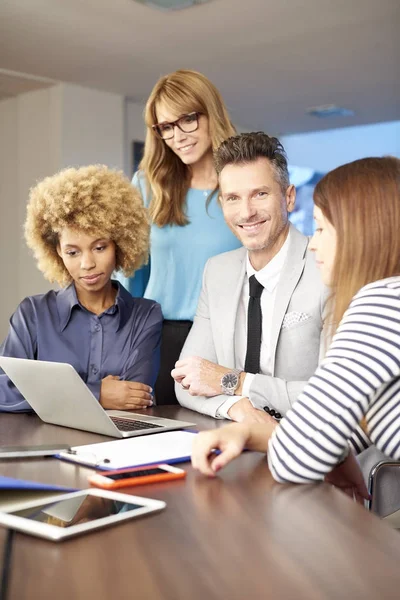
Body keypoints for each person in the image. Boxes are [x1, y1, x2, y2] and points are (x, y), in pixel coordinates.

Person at [191, 156, 400, 503]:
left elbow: (295, 461)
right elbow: (349, 425)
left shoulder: (380, 305)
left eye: (320, 229)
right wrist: (249, 434)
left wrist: (300, 443)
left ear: (359, 232)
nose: (312, 244)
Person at [172, 132, 327, 422]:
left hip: (311, 446)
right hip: (237, 439)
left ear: (289, 197)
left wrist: (232, 381)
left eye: (260, 194)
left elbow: (333, 397)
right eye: (233, 198)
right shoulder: (217, 272)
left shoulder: (326, 268)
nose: (247, 212)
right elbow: (186, 379)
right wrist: (238, 408)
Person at [0, 165, 162, 412]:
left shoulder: (145, 315)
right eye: (73, 252)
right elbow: (4, 390)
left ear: (118, 244)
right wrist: (97, 393)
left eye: (99, 248)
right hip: (44, 444)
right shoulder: (32, 313)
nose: (87, 264)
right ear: (58, 253)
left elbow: (134, 396)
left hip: (119, 447)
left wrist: (50, 393)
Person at [129, 69, 242, 405]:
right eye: (166, 126)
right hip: (156, 337)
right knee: (149, 437)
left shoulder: (239, 190)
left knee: (214, 441)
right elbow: (131, 276)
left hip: (225, 338)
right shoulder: (148, 188)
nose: (178, 135)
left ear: (211, 115)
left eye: (187, 120)